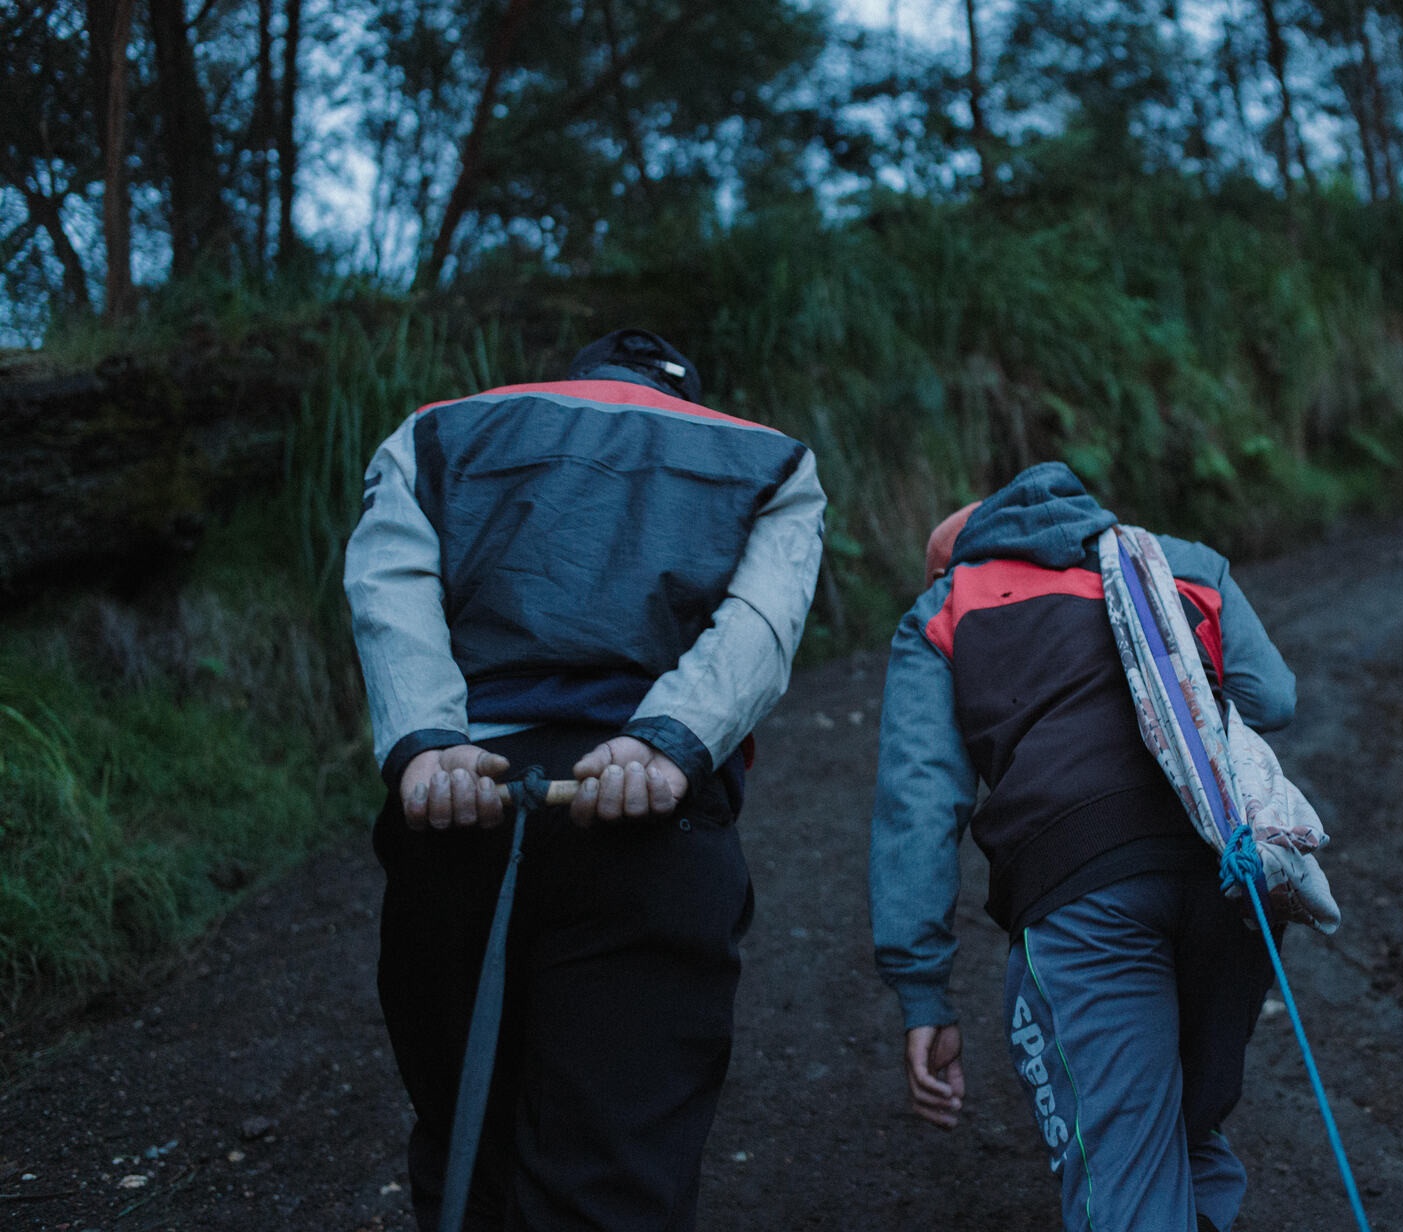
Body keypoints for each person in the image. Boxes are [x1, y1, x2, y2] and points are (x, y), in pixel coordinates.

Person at [343, 327, 825, 1231]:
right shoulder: (770, 458)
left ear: (572, 380)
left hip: (459, 807)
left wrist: (428, 742)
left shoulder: (438, 431)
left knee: (465, 1152)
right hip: (646, 822)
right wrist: (666, 742)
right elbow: (760, 627)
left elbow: (389, 590)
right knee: (613, 1173)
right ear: (683, 392)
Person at [867, 461, 1298, 1232]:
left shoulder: (947, 606)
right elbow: (1275, 698)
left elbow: (920, 804)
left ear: (954, 561)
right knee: (1186, 1118)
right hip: (1231, 876)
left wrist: (920, 986)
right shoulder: (1181, 563)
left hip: (1084, 887)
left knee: (1125, 1160)